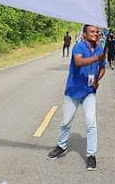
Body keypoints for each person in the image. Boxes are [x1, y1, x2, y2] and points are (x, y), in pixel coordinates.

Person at [47, 25, 106, 171]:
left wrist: (98, 80)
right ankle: (61, 146)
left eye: (97, 32)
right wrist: (96, 58)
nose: (95, 34)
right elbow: (79, 62)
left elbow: (102, 68)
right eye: (92, 32)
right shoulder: (78, 47)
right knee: (66, 122)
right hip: (74, 90)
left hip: (89, 91)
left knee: (91, 123)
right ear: (85, 34)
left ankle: (91, 155)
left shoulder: (100, 50)